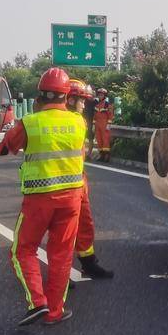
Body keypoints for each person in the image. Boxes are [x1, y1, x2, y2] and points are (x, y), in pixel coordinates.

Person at [0, 67, 86, 326]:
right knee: (61, 254)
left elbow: (7, 147)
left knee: (22, 250)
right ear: (66, 97)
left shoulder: (31, 122)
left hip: (39, 199)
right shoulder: (79, 122)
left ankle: (37, 303)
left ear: (39, 97)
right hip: (71, 199)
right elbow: (80, 154)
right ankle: (55, 311)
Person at [66, 80, 114, 279]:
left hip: (78, 181)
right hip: (60, 185)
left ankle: (89, 262)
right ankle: (59, 274)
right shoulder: (62, 121)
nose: (85, 105)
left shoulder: (79, 120)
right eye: (81, 101)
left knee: (85, 225)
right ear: (69, 99)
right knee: (63, 232)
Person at [93, 87, 114, 162]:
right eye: (99, 95)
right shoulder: (97, 105)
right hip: (98, 125)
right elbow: (95, 115)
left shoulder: (108, 105)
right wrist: (94, 124)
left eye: (101, 95)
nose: (100, 96)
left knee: (105, 140)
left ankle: (106, 156)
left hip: (105, 125)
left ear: (104, 96)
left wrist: (108, 124)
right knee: (99, 140)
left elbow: (110, 115)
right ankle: (101, 155)